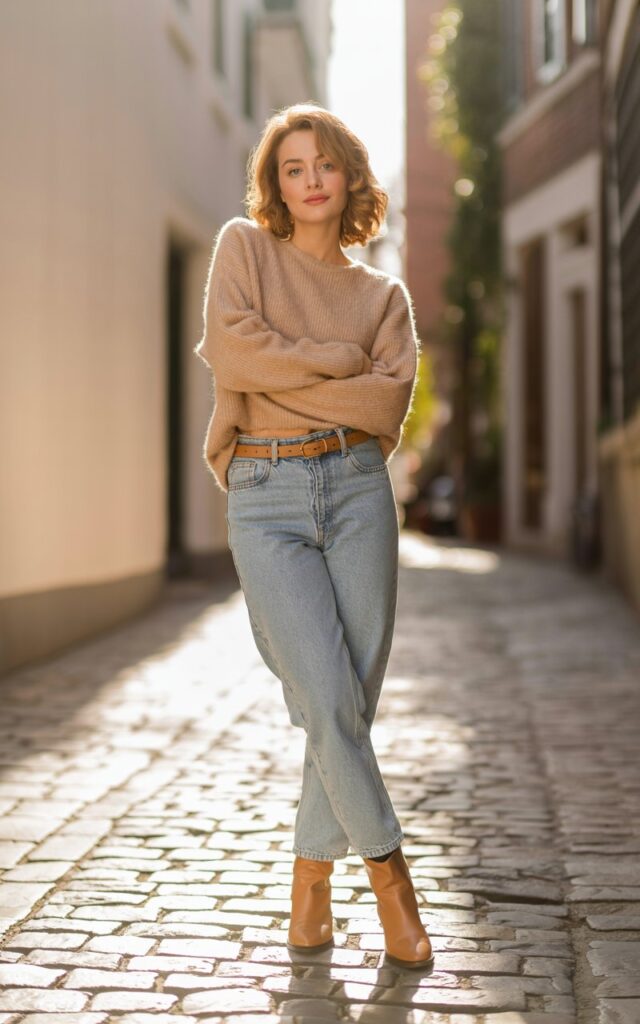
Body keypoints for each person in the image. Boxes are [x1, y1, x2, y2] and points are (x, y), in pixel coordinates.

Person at [194, 102, 433, 971]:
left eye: (324, 164)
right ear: (276, 184)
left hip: (360, 492)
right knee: (327, 693)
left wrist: (284, 373)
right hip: (265, 495)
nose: (311, 180)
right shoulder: (243, 250)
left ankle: (310, 887)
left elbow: (384, 403)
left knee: (346, 703)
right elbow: (232, 354)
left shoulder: (383, 298)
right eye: (293, 168)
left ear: (349, 177)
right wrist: (335, 362)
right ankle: (392, 880)